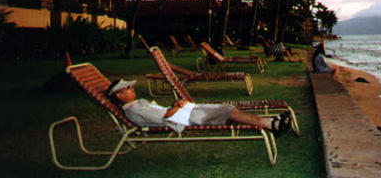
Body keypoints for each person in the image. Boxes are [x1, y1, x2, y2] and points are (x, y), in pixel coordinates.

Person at [107, 79, 291, 136]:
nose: (132, 89)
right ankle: (270, 124)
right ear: (119, 96)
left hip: (181, 113)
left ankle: (270, 123)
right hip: (180, 119)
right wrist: (179, 107)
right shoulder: (134, 109)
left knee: (227, 108)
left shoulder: (137, 103)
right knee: (227, 110)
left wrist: (176, 104)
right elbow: (162, 118)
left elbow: (162, 111)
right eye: (128, 88)